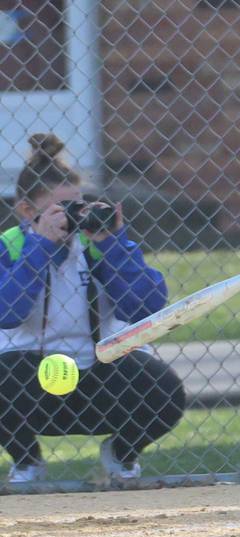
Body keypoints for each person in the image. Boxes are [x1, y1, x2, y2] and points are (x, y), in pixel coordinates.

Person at [0, 133, 185, 483]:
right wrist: (39, 247)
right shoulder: (10, 247)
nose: (73, 218)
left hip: (98, 374)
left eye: (79, 206)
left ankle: (119, 455)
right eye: (62, 209)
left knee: (164, 388)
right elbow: (7, 312)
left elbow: (144, 307)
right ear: (27, 210)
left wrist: (113, 244)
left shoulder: (95, 247)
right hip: (28, 382)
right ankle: (26, 461)